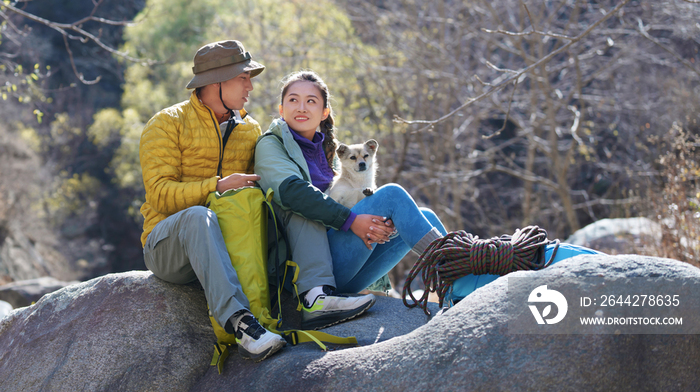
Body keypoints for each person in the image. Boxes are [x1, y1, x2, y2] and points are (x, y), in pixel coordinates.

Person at [138, 42, 372, 362]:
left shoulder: (250, 130)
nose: (250, 86)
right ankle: (241, 323)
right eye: (243, 78)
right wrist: (217, 186)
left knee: (292, 199)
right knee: (197, 217)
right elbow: (159, 194)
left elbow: (265, 194)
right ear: (216, 82)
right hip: (169, 245)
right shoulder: (166, 123)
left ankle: (316, 296)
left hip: (233, 243)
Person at [254, 71, 449, 317]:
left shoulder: (329, 153)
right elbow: (293, 192)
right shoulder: (271, 145)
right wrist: (352, 221)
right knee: (392, 195)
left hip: (345, 267)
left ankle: (457, 283)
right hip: (306, 272)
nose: (301, 107)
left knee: (426, 217)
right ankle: (460, 271)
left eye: (311, 101)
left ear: (324, 112)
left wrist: (378, 225)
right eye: (293, 100)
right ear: (281, 109)